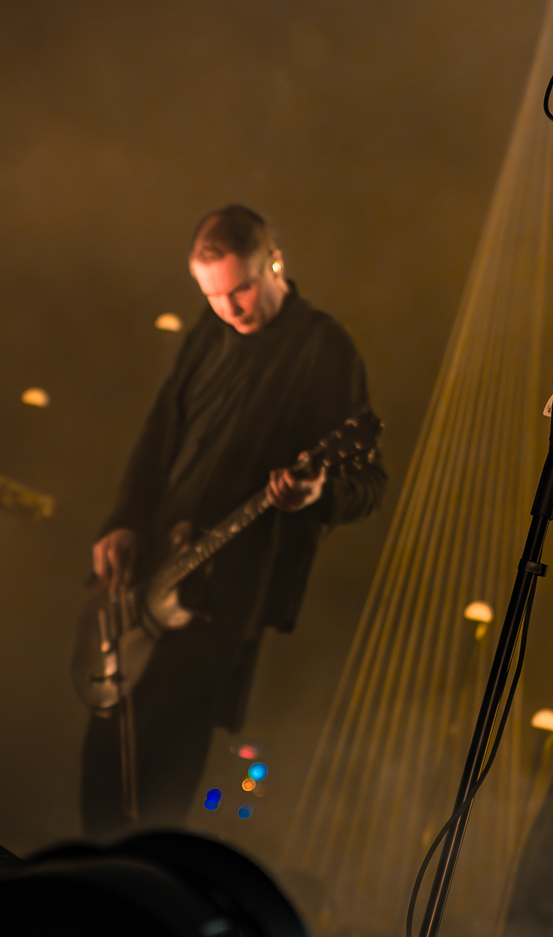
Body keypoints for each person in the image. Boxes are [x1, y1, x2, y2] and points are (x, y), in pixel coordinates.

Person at [82, 204, 386, 837]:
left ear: (274, 263)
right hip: (146, 582)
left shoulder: (325, 349)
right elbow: (158, 434)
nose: (232, 308)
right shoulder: (206, 330)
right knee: (105, 750)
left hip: (221, 604)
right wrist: (122, 521)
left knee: (162, 779)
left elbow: (369, 485)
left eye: (241, 289)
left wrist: (318, 492)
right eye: (215, 295)